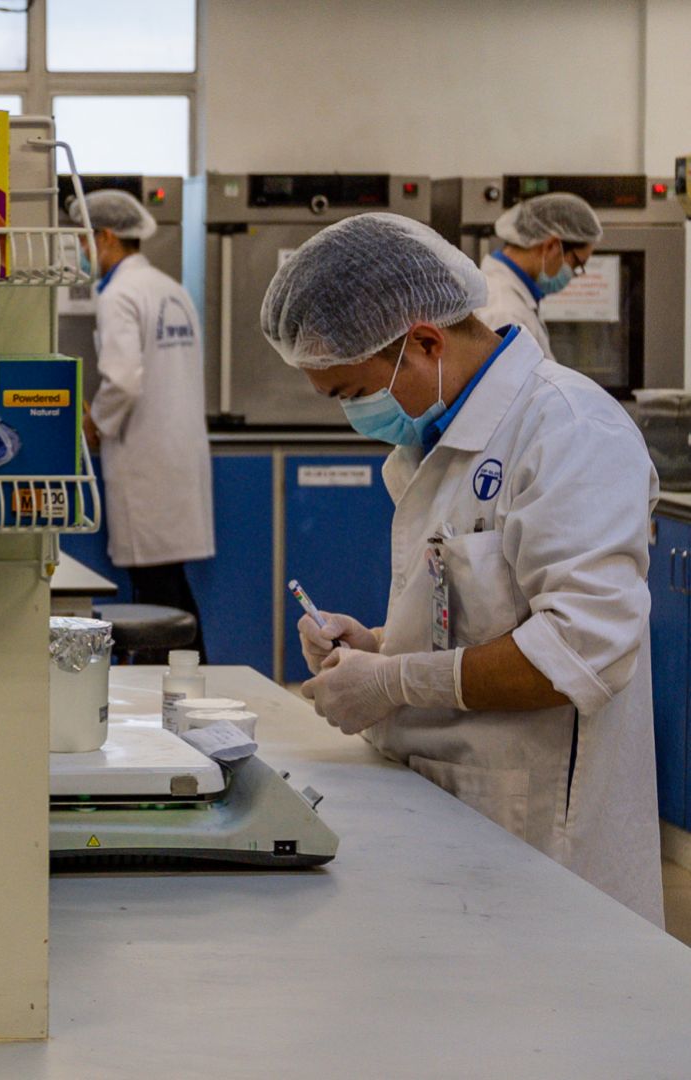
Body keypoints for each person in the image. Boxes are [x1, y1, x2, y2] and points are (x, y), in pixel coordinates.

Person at [260, 212, 663, 927]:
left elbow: (580, 654)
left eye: (353, 393)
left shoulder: (567, 430)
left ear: (424, 342)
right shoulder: (438, 443)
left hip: (540, 840)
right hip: (451, 814)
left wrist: (391, 683)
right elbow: (475, 616)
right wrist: (379, 645)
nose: (353, 414)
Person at [68, 189, 214, 662]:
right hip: (178, 453)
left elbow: (124, 381)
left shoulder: (119, 294)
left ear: (107, 236)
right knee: (168, 585)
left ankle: (168, 696)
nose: (85, 253)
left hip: (146, 459)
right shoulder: (169, 288)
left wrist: (95, 423)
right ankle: (189, 685)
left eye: (85, 241)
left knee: (155, 596)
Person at [475, 192, 602, 359]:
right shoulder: (505, 312)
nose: (573, 274)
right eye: (577, 264)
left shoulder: (512, 298)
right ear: (551, 246)